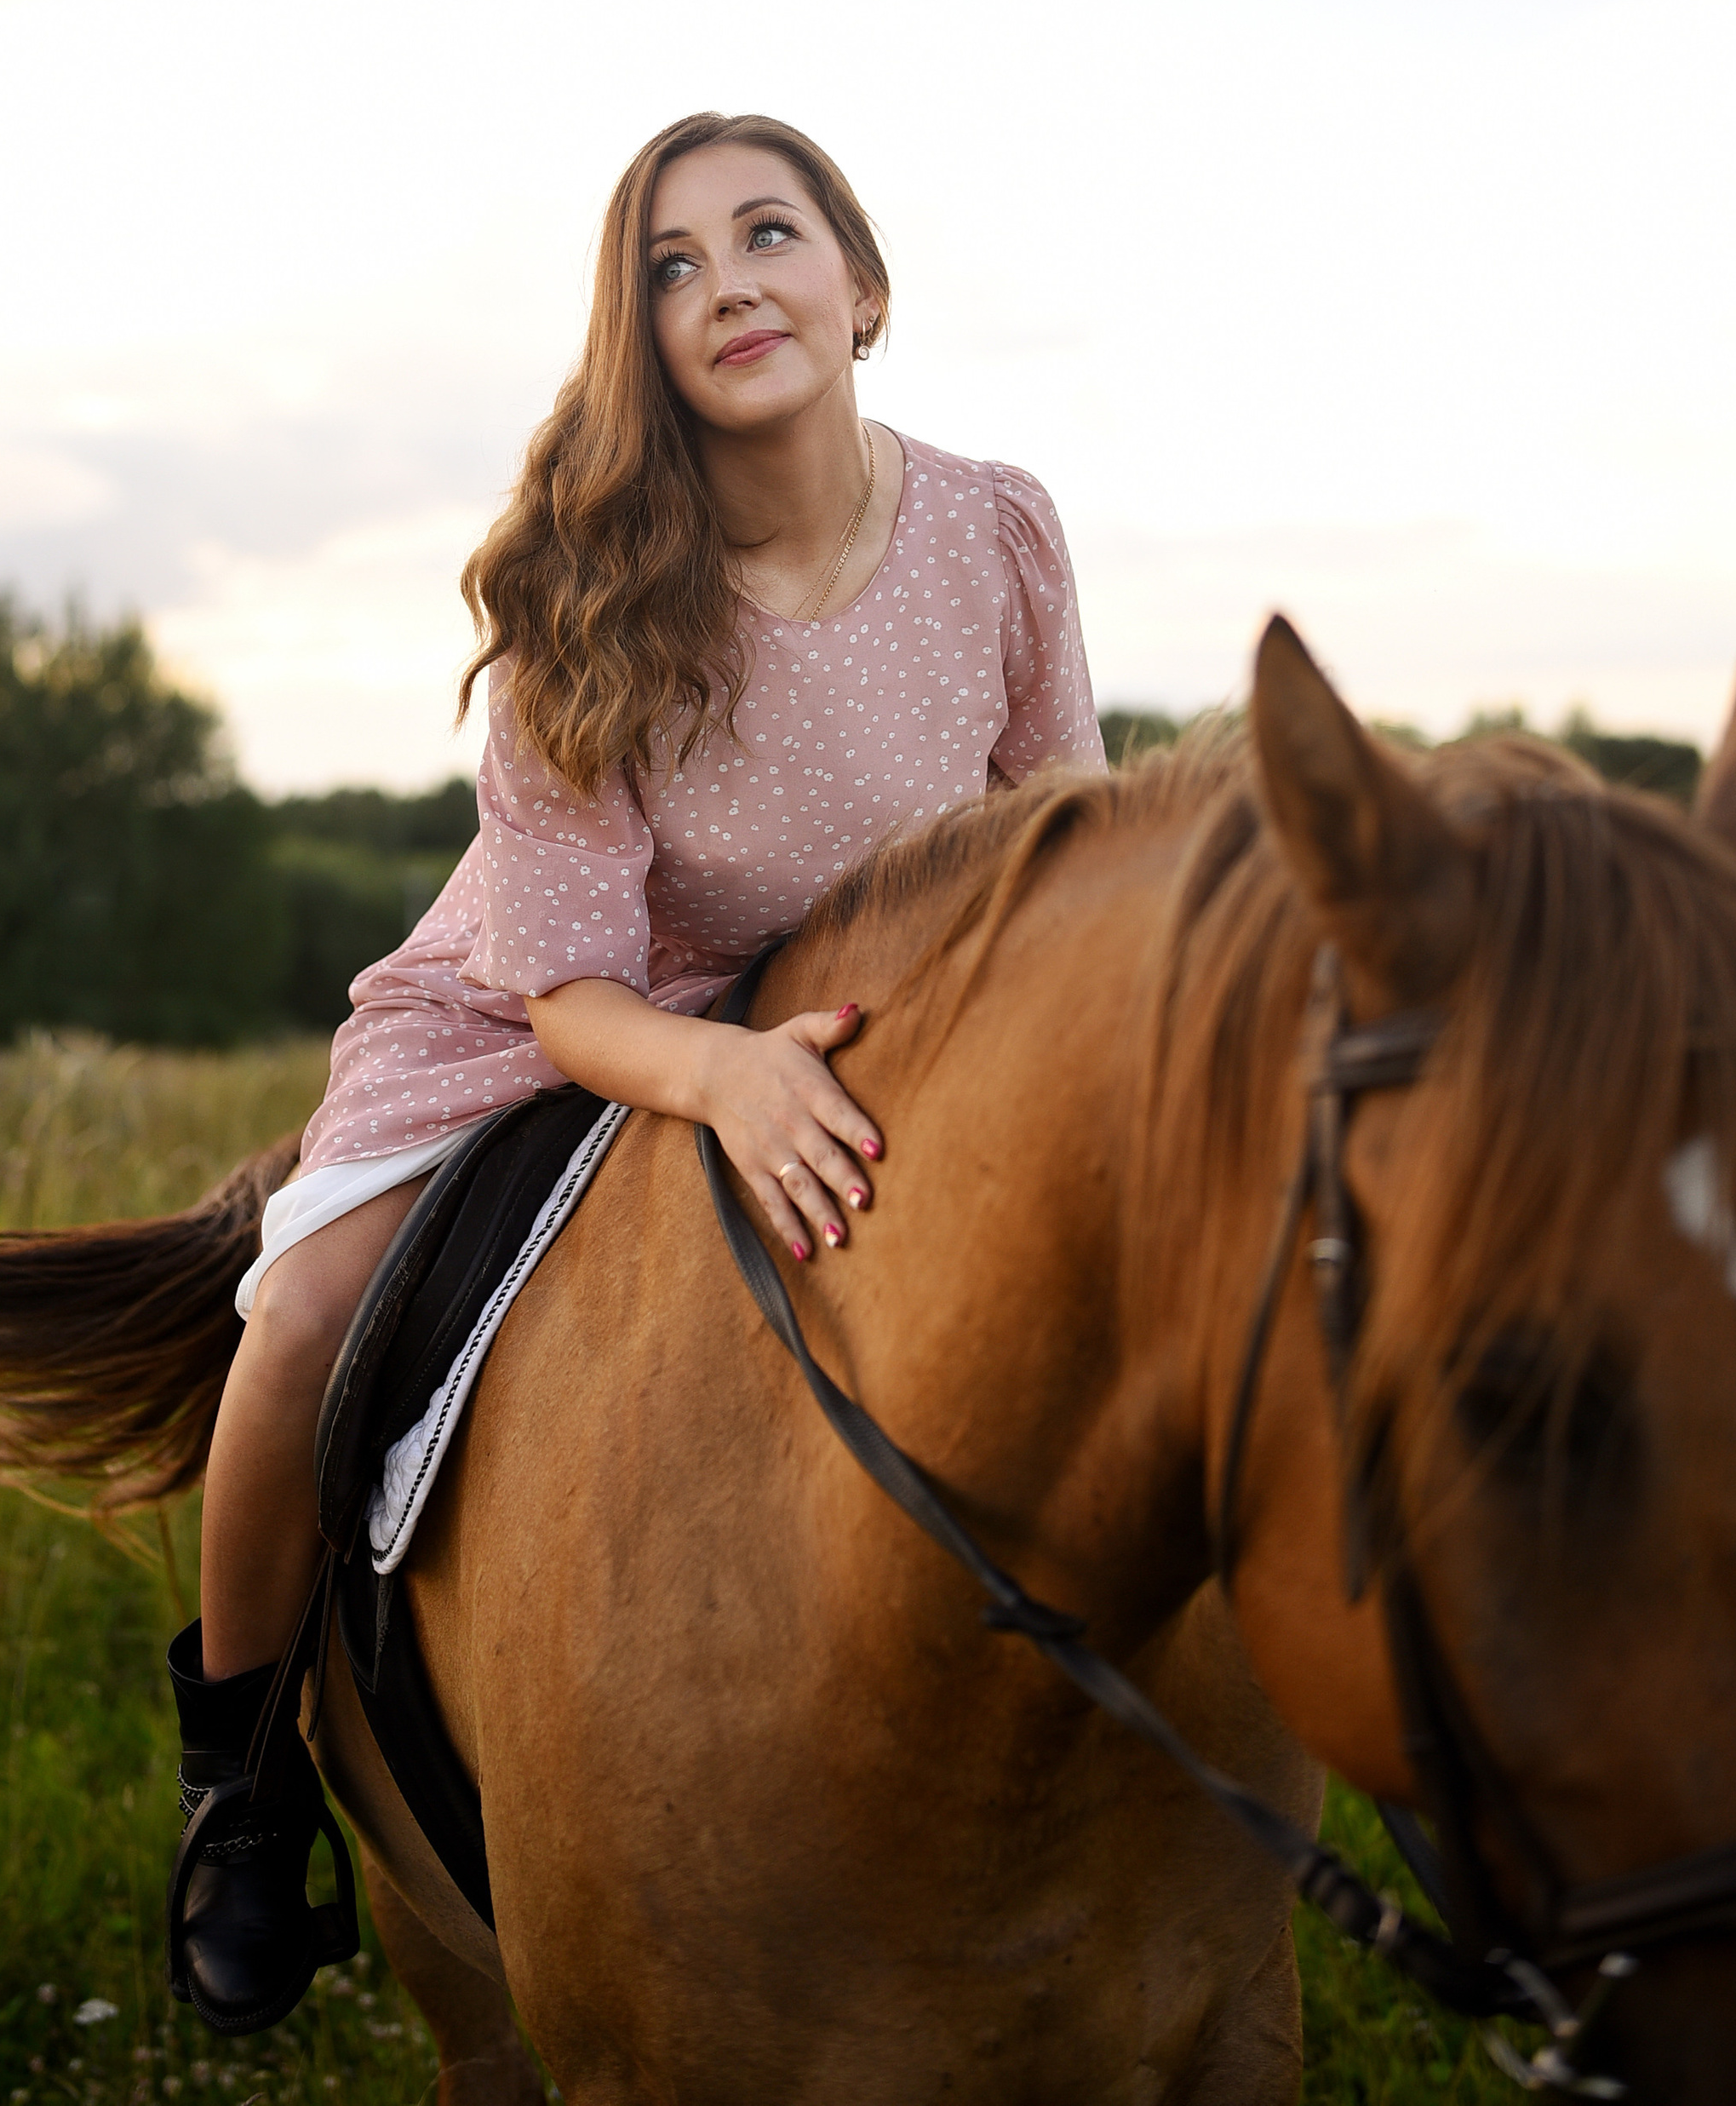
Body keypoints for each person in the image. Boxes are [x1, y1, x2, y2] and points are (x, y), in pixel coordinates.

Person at [167, 109, 1103, 2031]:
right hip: (569, 1011)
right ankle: (239, 1787)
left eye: (767, 235)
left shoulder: (997, 528)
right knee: (302, 1314)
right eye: (672, 267)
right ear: (643, 340)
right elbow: (570, 998)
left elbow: (1064, 837)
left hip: (880, 1008)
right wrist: (726, 1079)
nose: (727, 285)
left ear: (862, 287)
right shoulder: (582, 587)